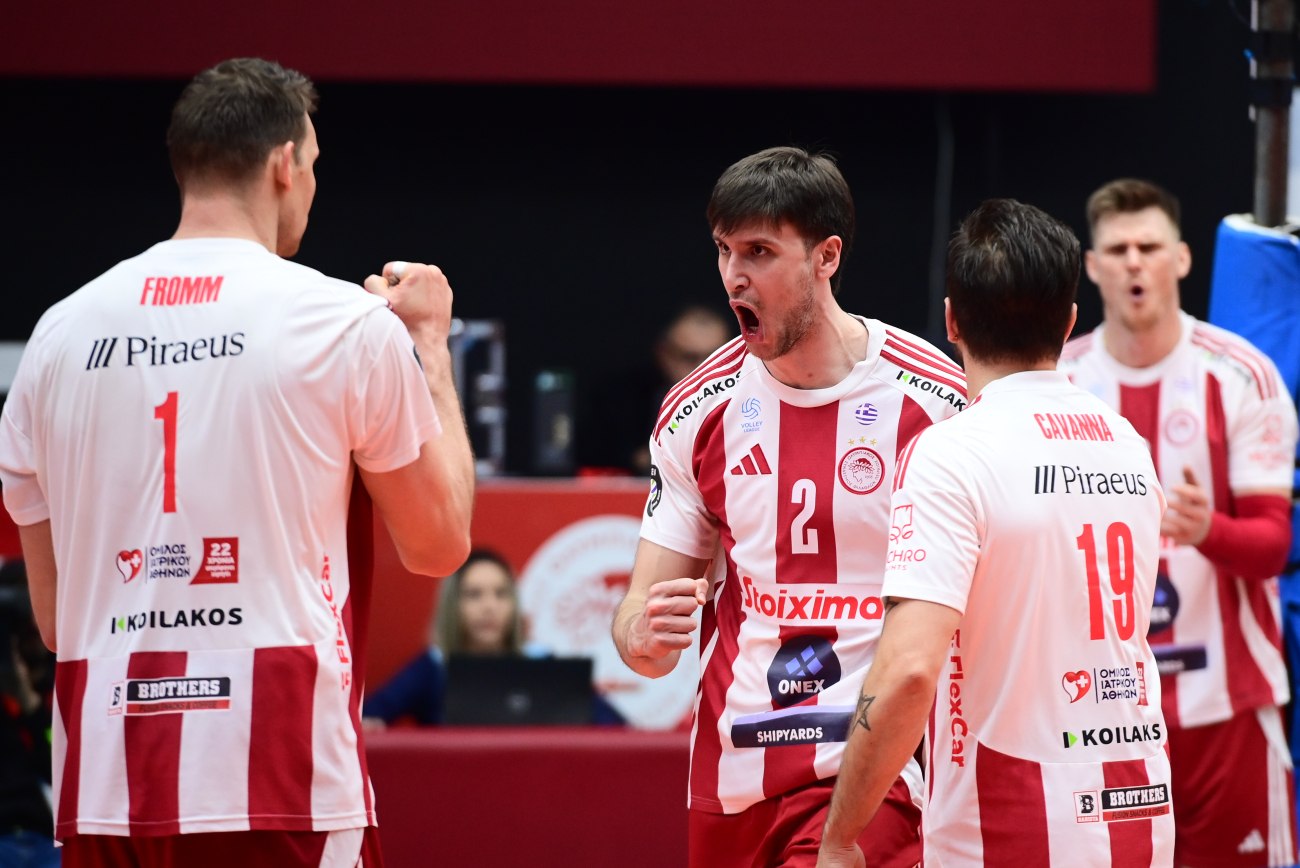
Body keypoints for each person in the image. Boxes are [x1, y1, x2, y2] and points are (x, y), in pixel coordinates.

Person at [0, 57, 475, 867]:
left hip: (106, 784)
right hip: (280, 768)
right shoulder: (342, 323)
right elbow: (439, 543)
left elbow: (55, 620)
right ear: (285, 163)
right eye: (314, 164)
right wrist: (430, 346)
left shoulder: (57, 337)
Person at [612, 146, 966, 867]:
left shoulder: (936, 401)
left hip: (877, 771)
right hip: (734, 769)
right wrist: (642, 635)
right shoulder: (696, 411)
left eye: (760, 252)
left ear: (826, 257)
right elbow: (637, 626)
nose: (734, 276)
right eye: (724, 250)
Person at [818, 198, 1174, 867]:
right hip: (1141, 804)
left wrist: (838, 839)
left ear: (951, 320)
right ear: (1070, 321)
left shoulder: (953, 450)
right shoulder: (1127, 442)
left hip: (1012, 819)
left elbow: (909, 671)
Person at [1058, 178, 1299, 867]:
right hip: (1095, 714)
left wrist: (1206, 531)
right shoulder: (1058, 382)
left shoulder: (1242, 375)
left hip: (1224, 704)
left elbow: (1274, 547)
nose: (1135, 262)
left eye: (1150, 247)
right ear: (1092, 266)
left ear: (1184, 258)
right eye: (1118, 250)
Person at [363, 550, 523, 726]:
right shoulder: (432, 668)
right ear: (451, 605)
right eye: (474, 594)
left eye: (501, 593)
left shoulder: (537, 667)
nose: (489, 607)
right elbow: (367, 717)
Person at [580, 305, 732, 475]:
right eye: (690, 358)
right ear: (664, 353)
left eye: (716, 358)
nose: (704, 369)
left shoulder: (749, 397)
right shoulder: (621, 400)